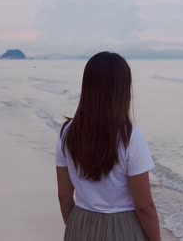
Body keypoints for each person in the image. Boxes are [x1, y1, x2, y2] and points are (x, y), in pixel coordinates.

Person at [56, 51, 161, 241]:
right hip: (123, 227)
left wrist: (76, 227)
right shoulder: (130, 137)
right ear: (122, 90)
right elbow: (144, 206)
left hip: (80, 222)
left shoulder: (67, 133)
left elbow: (64, 196)